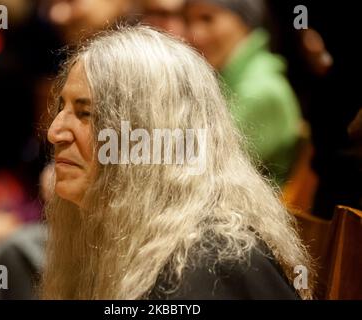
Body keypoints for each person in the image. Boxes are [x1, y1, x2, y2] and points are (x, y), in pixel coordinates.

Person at [41, 26, 312, 300]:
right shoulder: (115, 235)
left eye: (85, 113)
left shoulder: (206, 266)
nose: (55, 132)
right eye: (62, 108)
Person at [185, 0, 302, 186]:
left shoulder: (260, 89)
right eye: (188, 21)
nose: (195, 35)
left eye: (207, 19)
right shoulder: (227, 78)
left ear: (244, 22)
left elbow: (198, 173)